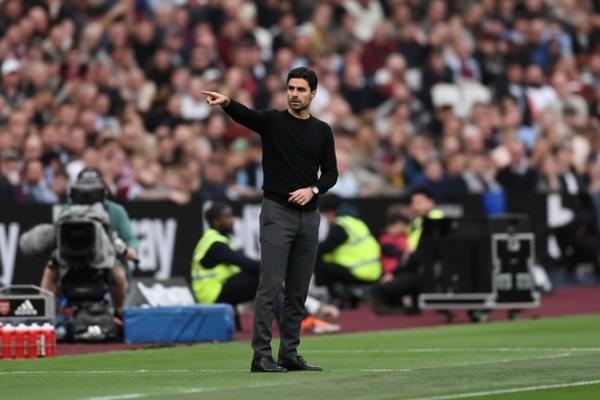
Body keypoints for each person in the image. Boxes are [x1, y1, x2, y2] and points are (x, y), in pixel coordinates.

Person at [202, 67, 338, 373]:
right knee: (271, 286)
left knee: (298, 291)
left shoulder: (322, 130)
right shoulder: (274, 122)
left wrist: (313, 190)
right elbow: (246, 115)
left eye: (301, 89)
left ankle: (289, 353)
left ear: (313, 94)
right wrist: (226, 102)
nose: (294, 94)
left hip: (309, 217)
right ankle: (261, 355)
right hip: (278, 213)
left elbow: (331, 173)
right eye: (291, 88)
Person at [40, 167, 139, 318]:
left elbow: (130, 239)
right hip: (71, 258)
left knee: (118, 275)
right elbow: (57, 238)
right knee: (50, 270)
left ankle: (119, 314)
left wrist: (130, 250)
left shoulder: (116, 211)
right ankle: (45, 315)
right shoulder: (67, 210)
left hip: (106, 259)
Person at [370, 188, 443, 314]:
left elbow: (417, 255)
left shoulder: (434, 220)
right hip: (416, 269)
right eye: (413, 203)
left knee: (379, 290)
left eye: (419, 202)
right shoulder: (417, 223)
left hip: (426, 273)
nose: (415, 206)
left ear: (431, 202)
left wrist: (394, 274)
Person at [314, 194, 382, 305]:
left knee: (314, 262)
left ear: (330, 213)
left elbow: (320, 252)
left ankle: (328, 297)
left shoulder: (340, 228)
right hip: (373, 271)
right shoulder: (354, 222)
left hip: (359, 272)